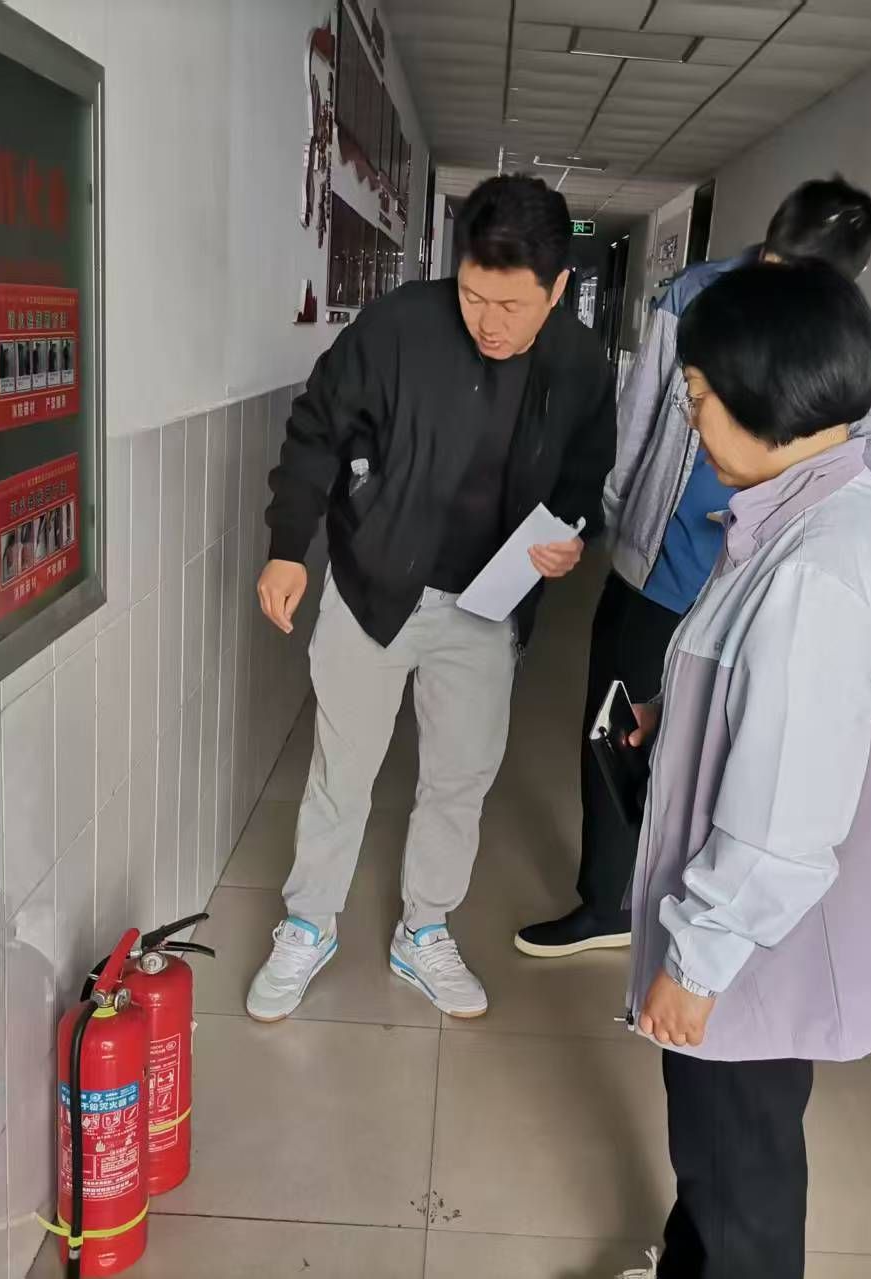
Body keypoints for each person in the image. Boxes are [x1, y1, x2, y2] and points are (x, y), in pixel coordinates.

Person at [615, 260, 871, 1279]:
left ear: (760, 391)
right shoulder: (813, 512)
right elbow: (768, 705)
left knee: (741, 1167)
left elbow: (783, 816)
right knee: (721, 1149)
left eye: (696, 396)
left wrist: (697, 962)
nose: (691, 421)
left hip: (748, 939)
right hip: (751, 934)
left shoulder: (818, 563)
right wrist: (675, 714)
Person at [246, 175, 615, 1022]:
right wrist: (289, 546)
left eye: (512, 306)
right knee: (342, 771)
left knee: (459, 778)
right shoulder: (400, 326)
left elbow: (586, 474)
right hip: (374, 586)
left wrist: (572, 536)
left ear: (559, 287)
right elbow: (315, 428)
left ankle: (425, 929)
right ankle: (308, 923)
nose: (489, 321)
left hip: (488, 605)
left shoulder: (578, 363)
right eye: (474, 295)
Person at [516, 174, 871, 958]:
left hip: (761, 586)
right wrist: (615, 528)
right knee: (620, 731)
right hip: (662, 570)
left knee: (739, 757)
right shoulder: (697, 295)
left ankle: (700, 912)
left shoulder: (869, 348)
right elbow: (636, 424)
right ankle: (608, 899)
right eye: (773, 265)